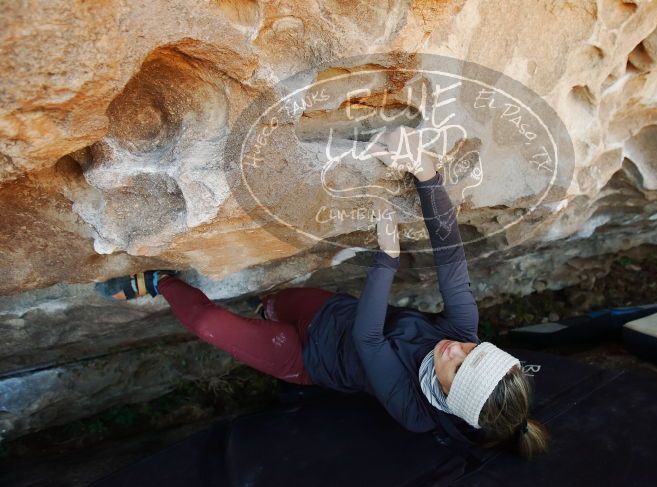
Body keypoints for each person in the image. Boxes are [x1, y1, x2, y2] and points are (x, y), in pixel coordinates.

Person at [97, 126, 549, 459]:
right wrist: (426, 174)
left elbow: (369, 340)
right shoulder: (462, 332)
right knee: (272, 303)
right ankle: (263, 310)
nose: (455, 349)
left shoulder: (416, 413)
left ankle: (161, 282)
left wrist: (387, 259)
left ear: (450, 398)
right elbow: (451, 258)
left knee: (208, 324)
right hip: (327, 310)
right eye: (475, 351)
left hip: (306, 359)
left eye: (458, 368)